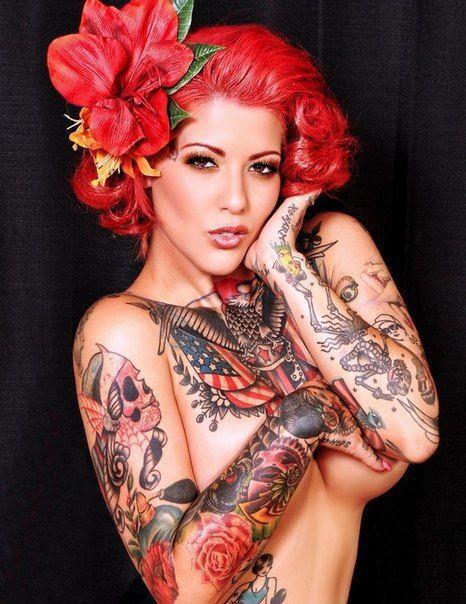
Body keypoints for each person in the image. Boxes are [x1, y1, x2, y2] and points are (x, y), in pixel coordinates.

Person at [47, 1, 440, 602]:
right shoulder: (123, 331)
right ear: (139, 165)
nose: (236, 199)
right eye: (203, 161)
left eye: (262, 168)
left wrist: (284, 265)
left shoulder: (326, 253)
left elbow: (416, 434)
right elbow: (180, 591)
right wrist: (305, 415)